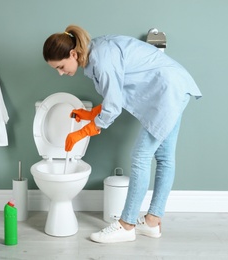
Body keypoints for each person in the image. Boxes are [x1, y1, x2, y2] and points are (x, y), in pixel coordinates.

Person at [43, 25, 202, 243]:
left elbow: (113, 108)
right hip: (173, 86)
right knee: (164, 158)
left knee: (141, 157)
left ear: (73, 54)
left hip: (168, 91)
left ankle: (126, 225)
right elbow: (114, 96)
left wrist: (83, 132)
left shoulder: (101, 60)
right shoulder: (96, 51)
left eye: (60, 67)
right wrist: (90, 114)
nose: (61, 73)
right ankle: (152, 223)